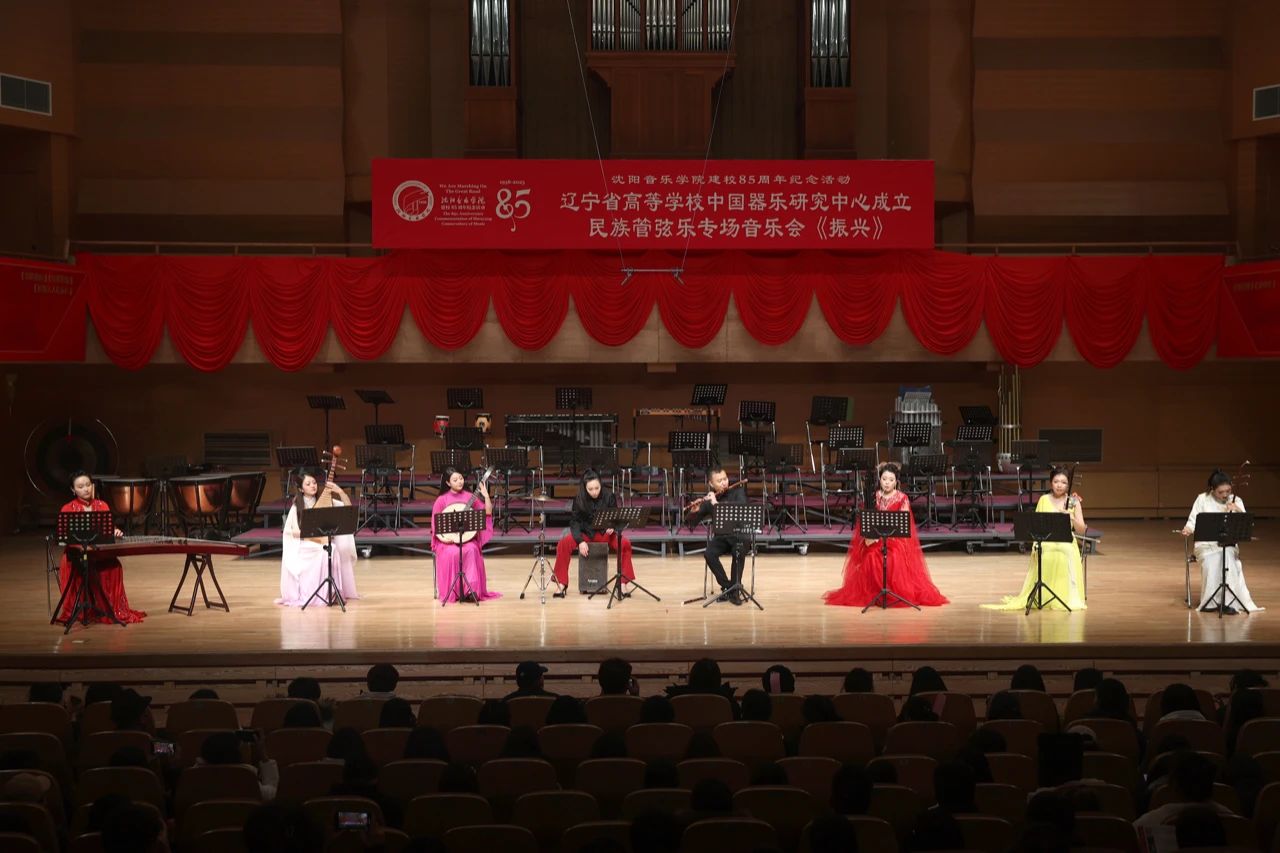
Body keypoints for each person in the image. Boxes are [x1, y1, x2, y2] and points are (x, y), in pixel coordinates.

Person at [824, 463, 948, 608]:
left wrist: (889, 537)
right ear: (880, 480)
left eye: (891, 480)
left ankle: (891, 593)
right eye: (884, 479)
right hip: (876, 538)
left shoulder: (902, 498)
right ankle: (875, 592)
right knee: (871, 556)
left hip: (895, 539)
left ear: (896, 482)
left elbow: (903, 525)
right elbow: (866, 522)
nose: (887, 483)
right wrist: (871, 537)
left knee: (893, 557)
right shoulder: (874, 497)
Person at [984, 466, 1086, 611]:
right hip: (1047, 540)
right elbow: (1037, 527)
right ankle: (1044, 594)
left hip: (1066, 541)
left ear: (1068, 484)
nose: (1059, 485)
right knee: (1045, 551)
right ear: (1051, 483)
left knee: (1065, 551)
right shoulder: (1044, 499)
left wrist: (1071, 517)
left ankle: (1066, 596)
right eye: (1056, 481)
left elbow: (1082, 529)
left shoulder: (1074, 502)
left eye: (1063, 482)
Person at [55, 471, 145, 625]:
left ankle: (110, 609)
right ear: (73, 490)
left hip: (98, 553)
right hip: (77, 555)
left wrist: (114, 531)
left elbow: (107, 530)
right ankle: (86, 609)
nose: (86, 489)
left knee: (114, 566)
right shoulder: (67, 508)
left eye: (88, 485)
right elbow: (64, 538)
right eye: (80, 487)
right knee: (83, 567)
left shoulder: (102, 505)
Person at [1181, 469, 1263, 613]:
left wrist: (1237, 510)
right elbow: (1193, 520)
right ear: (1212, 489)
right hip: (1206, 545)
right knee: (1212, 561)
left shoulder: (1236, 500)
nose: (1225, 495)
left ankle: (1228, 602)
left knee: (1228, 557)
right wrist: (1188, 528)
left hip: (1228, 543)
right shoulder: (1202, 499)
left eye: (1228, 491)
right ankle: (1210, 602)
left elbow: (1247, 524)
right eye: (1221, 492)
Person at [277, 472, 359, 607]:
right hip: (304, 544)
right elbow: (292, 532)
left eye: (314, 483)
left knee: (333, 549)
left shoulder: (325, 501)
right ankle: (317, 593)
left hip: (322, 542)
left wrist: (340, 491)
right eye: (308, 484)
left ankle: (332, 592)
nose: (313, 486)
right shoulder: (297, 506)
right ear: (301, 489)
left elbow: (347, 507)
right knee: (324, 551)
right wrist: (312, 535)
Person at [552, 470, 636, 596]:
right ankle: (561, 583)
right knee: (563, 544)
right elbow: (575, 523)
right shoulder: (579, 498)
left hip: (604, 534)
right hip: (586, 534)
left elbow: (615, 517)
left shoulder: (609, 496)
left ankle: (622, 583)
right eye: (590, 489)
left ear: (600, 484)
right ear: (585, 488)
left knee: (625, 543)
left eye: (597, 488)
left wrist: (612, 526)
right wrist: (580, 541)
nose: (594, 492)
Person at [432, 467, 499, 604]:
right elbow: (435, 525)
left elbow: (487, 512)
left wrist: (486, 496)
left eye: (461, 478)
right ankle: (454, 591)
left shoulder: (469, 497)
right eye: (455, 480)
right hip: (447, 541)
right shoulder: (441, 500)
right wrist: (446, 539)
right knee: (452, 553)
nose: (459, 482)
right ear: (448, 483)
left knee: (472, 550)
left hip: (467, 539)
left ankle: (471, 591)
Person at [688, 466, 750, 604]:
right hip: (722, 537)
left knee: (738, 550)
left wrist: (716, 504)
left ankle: (734, 592)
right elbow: (690, 525)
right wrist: (693, 512)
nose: (724, 483)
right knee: (709, 554)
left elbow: (740, 512)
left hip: (740, 536)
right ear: (711, 484)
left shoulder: (738, 492)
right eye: (719, 481)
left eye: (725, 479)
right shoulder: (710, 499)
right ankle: (729, 587)